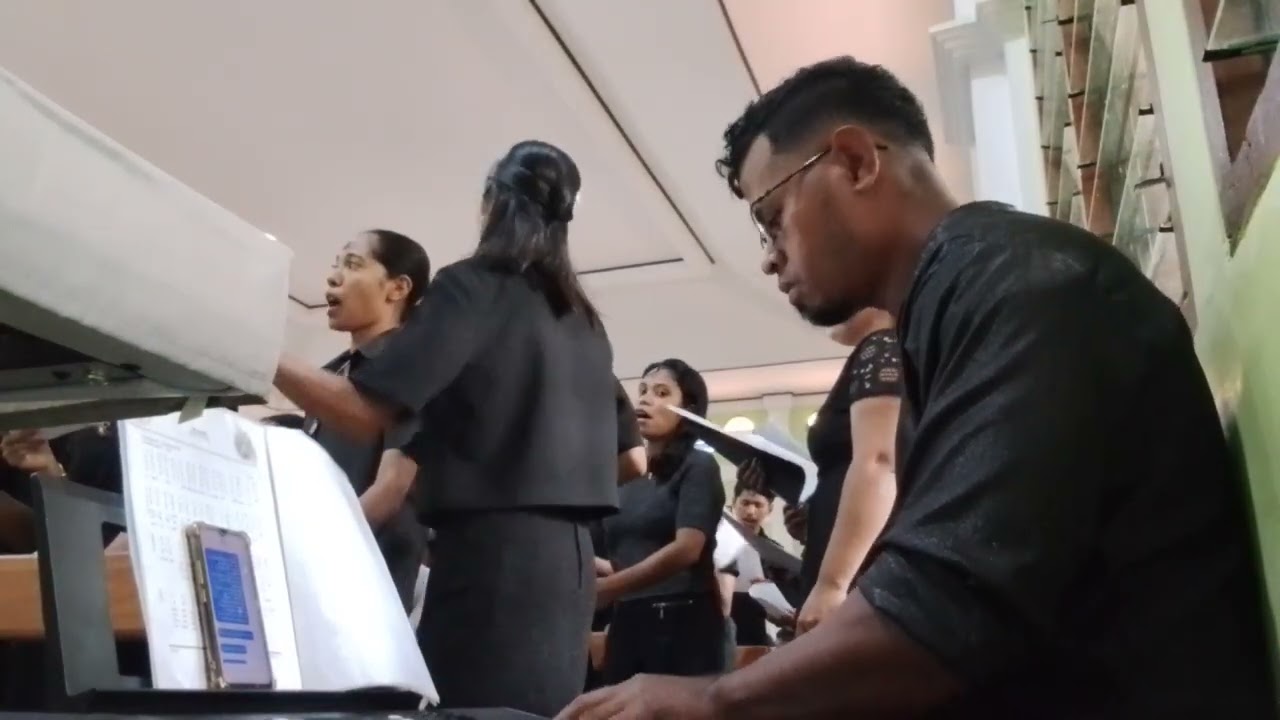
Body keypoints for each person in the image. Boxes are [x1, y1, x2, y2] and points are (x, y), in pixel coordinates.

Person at [558, 56, 1275, 719]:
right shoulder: (959, 301)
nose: (770, 258)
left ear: (855, 160)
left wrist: (714, 699)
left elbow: (944, 610)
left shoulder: (1024, 286)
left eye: (772, 216)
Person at [271, 140, 619, 717]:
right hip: (571, 569)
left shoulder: (474, 287)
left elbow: (364, 411)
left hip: (495, 562)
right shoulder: (582, 319)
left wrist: (257, 351)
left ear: (490, 203)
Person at [738, 307, 900, 636]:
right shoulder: (872, 353)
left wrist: (831, 586)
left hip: (858, 582)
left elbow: (880, 461)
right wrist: (811, 529)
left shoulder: (881, 347)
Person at [303, 228, 430, 612]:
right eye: (335, 265)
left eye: (353, 264)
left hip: (370, 572)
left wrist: (317, 552)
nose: (333, 276)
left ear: (397, 288)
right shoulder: (330, 374)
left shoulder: (417, 366)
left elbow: (393, 487)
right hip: (314, 567)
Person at [595, 359, 726, 683]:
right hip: (628, 618)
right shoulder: (628, 472)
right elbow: (626, 557)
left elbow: (687, 549)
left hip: (682, 621)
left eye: (661, 392)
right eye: (641, 391)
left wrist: (609, 588)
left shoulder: (698, 465)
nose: (644, 400)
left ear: (688, 407)